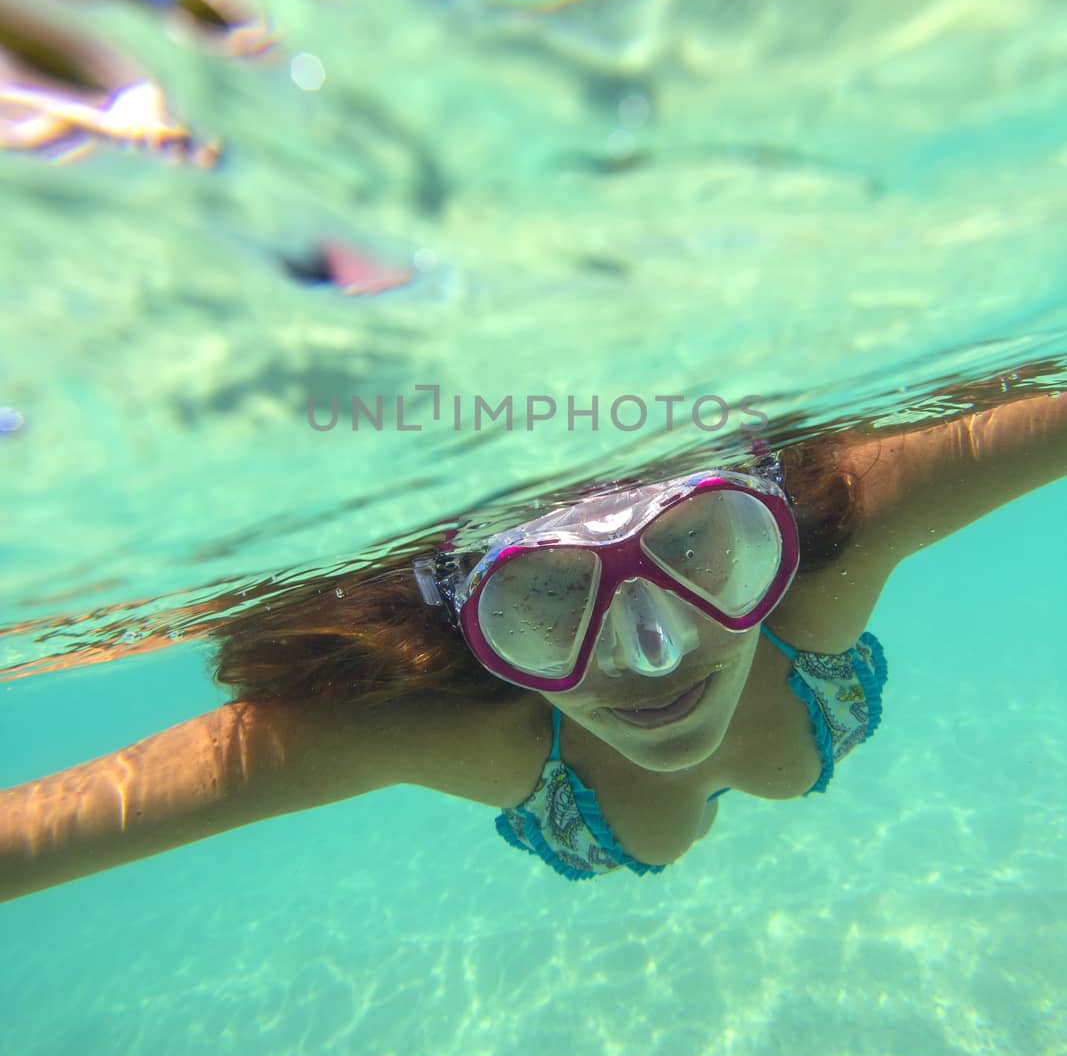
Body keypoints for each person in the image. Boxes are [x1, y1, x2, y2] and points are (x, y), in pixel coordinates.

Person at [2, 384, 1066, 901]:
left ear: (768, 521)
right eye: (546, 595)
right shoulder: (441, 728)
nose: (653, 654)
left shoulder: (834, 531)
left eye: (697, 550)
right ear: (464, 619)